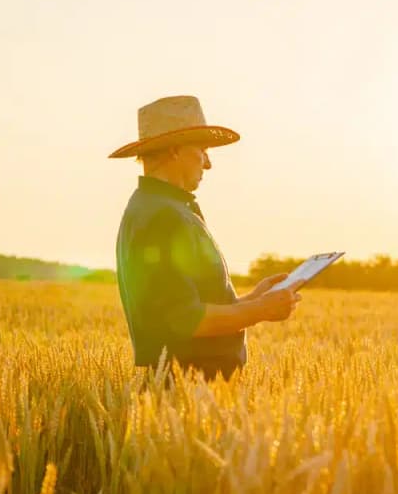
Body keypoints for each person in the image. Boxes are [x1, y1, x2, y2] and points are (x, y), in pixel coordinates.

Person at [108, 95, 300, 381]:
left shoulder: (158, 207)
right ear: (174, 150)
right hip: (188, 389)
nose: (208, 163)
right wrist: (260, 310)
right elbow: (185, 319)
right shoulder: (163, 217)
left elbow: (182, 306)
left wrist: (252, 299)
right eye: (202, 150)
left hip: (190, 389)